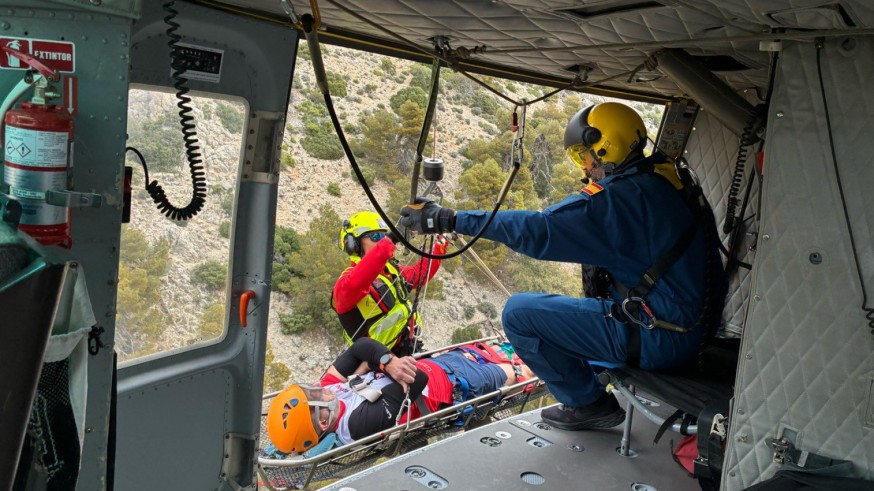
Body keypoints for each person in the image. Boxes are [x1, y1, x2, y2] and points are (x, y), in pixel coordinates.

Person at [399, 102, 728, 431]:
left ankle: (589, 404)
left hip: (660, 339)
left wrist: (450, 219)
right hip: (692, 331)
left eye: (584, 156)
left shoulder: (621, 199)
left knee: (519, 314)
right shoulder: (666, 179)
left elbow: (539, 230)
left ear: (606, 146)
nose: (585, 168)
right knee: (574, 307)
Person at [266, 337, 534, 454]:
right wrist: (377, 364)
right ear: (323, 422)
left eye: (311, 390)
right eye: (315, 396)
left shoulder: (331, 392)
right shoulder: (357, 426)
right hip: (458, 387)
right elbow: (417, 379)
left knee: (500, 351)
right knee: (519, 372)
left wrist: (382, 361)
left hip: (443, 365)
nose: (320, 388)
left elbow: (361, 345)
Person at [332, 211, 446, 357]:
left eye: (384, 236)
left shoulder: (389, 270)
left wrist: (441, 243)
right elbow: (358, 280)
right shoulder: (346, 283)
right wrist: (391, 239)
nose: (383, 241)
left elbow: (419, 274)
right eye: (376, 236)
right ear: (354, 244)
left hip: (407, 349)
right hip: (376, 361)